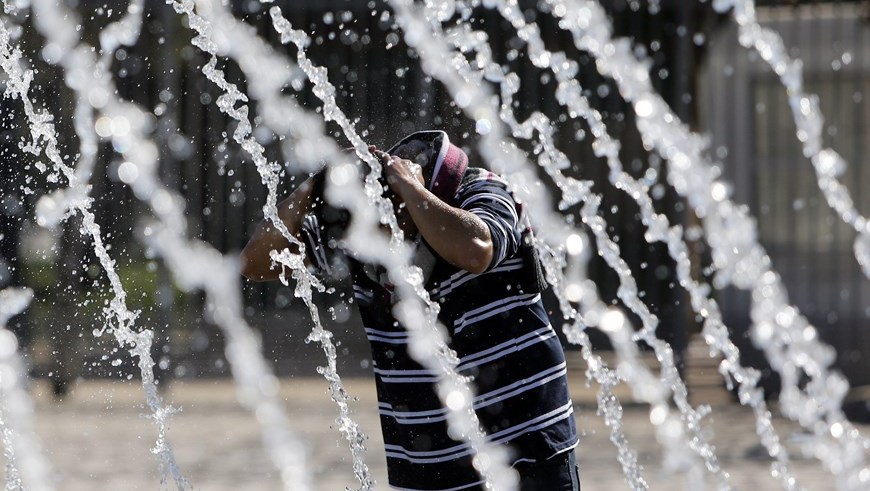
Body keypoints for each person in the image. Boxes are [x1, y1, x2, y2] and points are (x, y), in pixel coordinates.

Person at [241, 130, 580, 491]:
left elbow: (476, 249)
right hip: (429, 465)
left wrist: (411, 189)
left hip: (527, 449)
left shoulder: (483, 192)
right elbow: (256, 262)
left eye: (392, 225)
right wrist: (313, 187)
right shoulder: (363, 231)